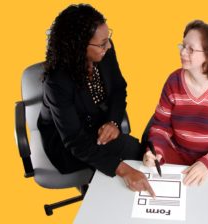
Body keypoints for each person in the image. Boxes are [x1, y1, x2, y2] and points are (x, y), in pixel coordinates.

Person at [37, 4, 154, 196]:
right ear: (78, 46)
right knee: (132, 152)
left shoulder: (105, 49)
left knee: (135, 153)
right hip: (67, 141)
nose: (108, 46)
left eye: (108, 40)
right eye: (102, 44)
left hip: (99, 124)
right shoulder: (57, 82)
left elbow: (118, 88)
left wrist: (113, 121)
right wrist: (123, 169)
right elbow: (74, 140)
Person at [143, 20, 208, 186]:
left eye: (191, 49)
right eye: (183, 46)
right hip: (177, 153)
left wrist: (207, 163)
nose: (183, 52)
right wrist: (155, 152)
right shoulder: (173, 80)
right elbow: (160, 126)